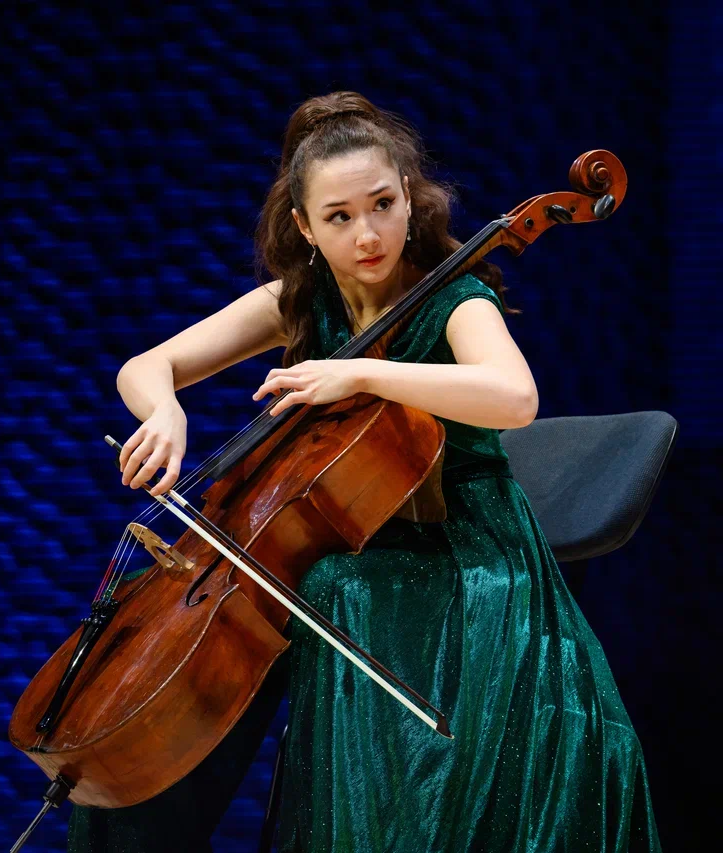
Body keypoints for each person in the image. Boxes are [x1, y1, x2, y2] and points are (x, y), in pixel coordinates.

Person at [75, 91, 661, 852]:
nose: (368, 234)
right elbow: (146, 365)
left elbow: (515, 398)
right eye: (340, 216)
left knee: (333, 589)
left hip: (466, 550)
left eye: (383, 205)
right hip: (363, 541)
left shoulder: (456, 298)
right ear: (305, 227)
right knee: (309, 589)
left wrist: (360, 374)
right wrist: (164, 411)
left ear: (409, 199)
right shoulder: (301, 300)